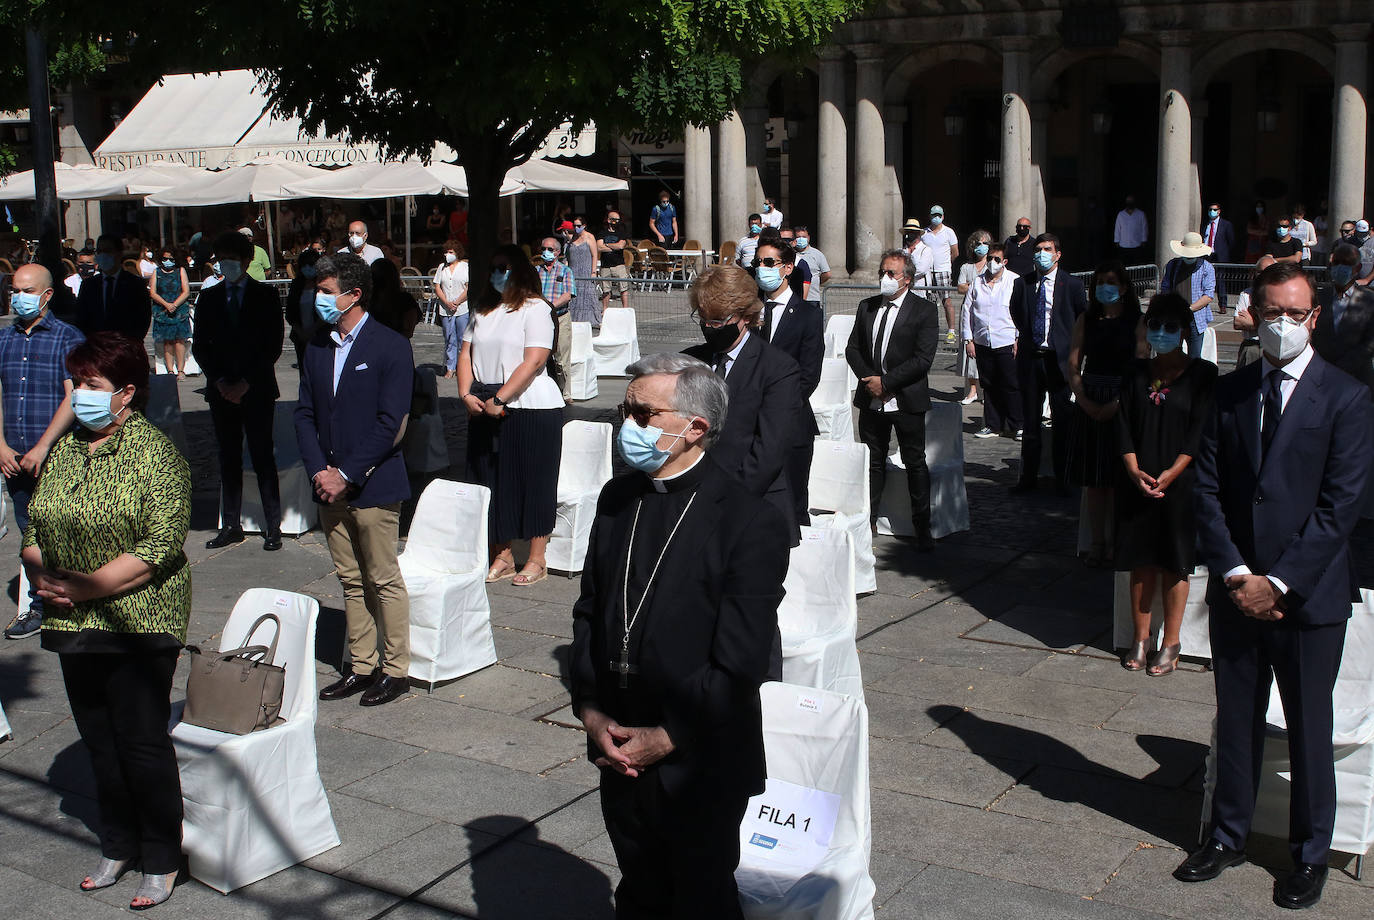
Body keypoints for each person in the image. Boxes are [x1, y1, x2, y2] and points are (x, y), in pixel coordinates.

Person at [1178, 262, 1374, 911]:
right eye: (1271, 311)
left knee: (1308, 725)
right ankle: (1228, 834)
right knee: (1236, 720)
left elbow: (1339, 507)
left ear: (1314, 318)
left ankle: (1310, 852)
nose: (1282, 323)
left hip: (1307, 598)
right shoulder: (1229, 393)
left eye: (1294, 313)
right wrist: (1237, 573)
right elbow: (1205, 491)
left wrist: (1280, 582)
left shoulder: (1346, 396)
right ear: (1253, 314)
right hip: (1238, 592)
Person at [570, 353, 788, 919]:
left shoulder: (747, 518)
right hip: (618, 742)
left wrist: (669, 736)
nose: (628, 424)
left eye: (644, 413)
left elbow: (742, 659)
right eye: (627, 409)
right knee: (639, 886)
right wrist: (591, 712)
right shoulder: (618, 499)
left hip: (700, 749)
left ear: (695, 428)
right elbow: (589, 612)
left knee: (700, 896)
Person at [22, 332, 191, 910]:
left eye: (91, 387)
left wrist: (89, 586)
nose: (80, 397)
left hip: (138, 621)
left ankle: (162, 854)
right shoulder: (66, 451)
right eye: (77, 385)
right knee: (98, 739)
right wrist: (43, 577)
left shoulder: (156, 454)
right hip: (71, 618)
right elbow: (34, 532)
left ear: (125, 392)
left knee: (139, 741)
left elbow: (160, 545)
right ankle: (118, 843)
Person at [297, 252, 415, 707]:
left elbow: (391, 422)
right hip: (328, 485)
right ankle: (362, 664)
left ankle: (395, 668)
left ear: (354, 294)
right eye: (317, 290)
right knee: (350, 578)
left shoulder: (389, 346)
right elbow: (305, 413)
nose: (318, 298)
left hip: (374, 484)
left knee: (382, 577)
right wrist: (319, 472)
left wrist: (347, 473)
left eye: (326, 292)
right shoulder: (317, 346)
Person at [1114, 292, 1217, 673]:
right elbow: (1122, 422)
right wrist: (1131, 466)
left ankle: (1171, 642)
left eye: (1169, 327)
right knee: (1140, 561)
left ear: (1184, 331)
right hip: (1138, 476)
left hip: (1180, 479)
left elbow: (1200, 430)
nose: (1161, 333)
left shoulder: (1203, 373)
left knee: (1176, 563)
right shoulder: (1135, 372)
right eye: (1155, 325)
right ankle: (1140, 638)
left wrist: (1173, 472)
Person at [458, 244, 565, 586]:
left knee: (534, 479)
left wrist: (502, 397)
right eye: (493, 267)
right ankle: (501, 553)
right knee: (488, 478)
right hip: (484, 399)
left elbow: (534, 360)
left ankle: (536, 557)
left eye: (503, 267)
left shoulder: (536, 309)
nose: (496, 274)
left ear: (518, 269)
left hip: (529, 404)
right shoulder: (483, 310)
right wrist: (466, 394)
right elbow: (465, 354)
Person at [682, 264, 802, 540]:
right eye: (703, 319)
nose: (709, 328)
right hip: (690, 505)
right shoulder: (688, 361)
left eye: (718, 320)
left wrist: (718, 501)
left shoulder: (778, 368)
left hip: (751, 507)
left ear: (745, 316)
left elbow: (769, 452)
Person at [0, 264, 85, 640]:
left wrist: (43, 446)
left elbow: (74, 396)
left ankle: (74, 600)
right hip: (13, 458)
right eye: (14, 290)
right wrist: (1, 445)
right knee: (28, 534)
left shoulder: (67, 338)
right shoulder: (4, 339)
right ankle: (40, 604)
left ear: (47, 295)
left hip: (55, 456)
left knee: (62, 531)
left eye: (27, 290)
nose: (18, 297)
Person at [193, 231, 285, 552]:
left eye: (234, 258)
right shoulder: (209, 297)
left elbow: (272, 345)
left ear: (247, 261)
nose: (228, 264)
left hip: (256, 389)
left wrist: (246, 381)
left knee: (262, 456)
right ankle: (231, 523)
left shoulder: (266, 296)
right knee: (228, 457)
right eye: (223, 258)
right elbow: (201, 346)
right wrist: (219, 381)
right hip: (221, 390)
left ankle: (272, 525)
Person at [846, 249, 939, 550]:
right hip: (872, 398)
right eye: (882, 272)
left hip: (906, 398)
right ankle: (869, 519)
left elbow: (923, 359)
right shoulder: (867, 307)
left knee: (915, 461)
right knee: (873, 460)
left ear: (907, 279)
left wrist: (887, 382)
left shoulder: (923, 311)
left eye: (891, 273)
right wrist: (870, 382)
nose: (884, 278)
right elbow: (853, 349)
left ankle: (921, 525)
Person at [1066, 261, 1145, 567]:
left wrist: (1119, 402)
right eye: (1099, 282)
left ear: (1123, 287)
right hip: (1091, 393)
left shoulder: (1137, 320)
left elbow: (1141, 362)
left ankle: (1117, 542)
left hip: (1122, 397)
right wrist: (1082, 396)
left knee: (1120, 476)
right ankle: (1097, 541)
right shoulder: (1087, 318)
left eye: (1110, 282)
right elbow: (1073, 362)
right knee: (1095, 479)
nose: (1104, 287)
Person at [751, 236, 822, 526]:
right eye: (758, 262)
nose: (762, 268)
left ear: (788, 268)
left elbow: (808, 375)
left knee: (792, 502)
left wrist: (773, 406)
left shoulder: (808, 315)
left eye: (769, 262)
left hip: (789, 421)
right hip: (749, 422)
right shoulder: (747, 312)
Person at [1011, 232, 1087, 493]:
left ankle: (1063, 478)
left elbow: (1081, 318)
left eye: (1047, 249)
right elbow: (1017, 312)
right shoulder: (1024, 283)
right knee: (1030, 423)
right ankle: (1028, 477)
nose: (1041, 254)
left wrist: (1075, 355)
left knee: (1062, 421)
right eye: (1038, 249)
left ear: (1057, 254)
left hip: (1060, 361)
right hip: (1032, 360)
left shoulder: (1072, 285)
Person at [962, 242, 1022, 440]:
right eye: (989, 258)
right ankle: (992, 424)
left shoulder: (1014, 281)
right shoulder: (977, 283)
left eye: (997, 259)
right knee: (989, 384)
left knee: (1011, 384)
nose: (992, 262)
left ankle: (1017, 424)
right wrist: (968, 339)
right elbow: (967, 311)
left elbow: (1021, 312)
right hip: (982, 340)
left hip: (1006, 340)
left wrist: (1018, 338)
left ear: (1004, 261)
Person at [1312, 244, 1374, 394]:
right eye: (1337, 263)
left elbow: (1370, 342)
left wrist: (1344, 366)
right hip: (1322, 379)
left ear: (1357, 268)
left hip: (1358, 380)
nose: (1340, 268)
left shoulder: (1369, 300)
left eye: (1346, 264)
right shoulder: (1318, 298)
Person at [74, 234, 152, 343]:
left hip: (126, 347)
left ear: (119, 253)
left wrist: (131, 343)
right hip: (97, 348)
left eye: (108, 251)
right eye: (100, 251)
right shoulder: (89, 285)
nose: (103, 255)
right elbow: (81, 317)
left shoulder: (135, 284)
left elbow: (143, 318)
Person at [1158, 232, 1216, 359]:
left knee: (1194, 357)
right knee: (1172, 354)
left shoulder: (1207, 268)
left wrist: (1189, 309)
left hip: (1196, 319)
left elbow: (1208, 295)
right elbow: (1165, 288)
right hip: (1174, 317)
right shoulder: (1172, 265)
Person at [537, 235, 576, 402]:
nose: (546, 252)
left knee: (562, 358)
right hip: (540, 319)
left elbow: (568, 295)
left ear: (558, 252)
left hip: (560, 318)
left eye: (550, 249)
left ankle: (565, 393)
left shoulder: (565, 271)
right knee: (540, 356)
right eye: (543, 249)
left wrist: (550, 306)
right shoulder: (536, 271)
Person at [955, 230, 992, 405]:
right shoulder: (966, 267)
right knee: (969, 349)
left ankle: (986, 389)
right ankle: (972, 389)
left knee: (985, 348)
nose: (981, 247)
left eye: (985, 243)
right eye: (978, 243)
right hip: (968, 310)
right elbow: (960, 287)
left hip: (986, 311)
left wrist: (971, 285)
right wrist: (975, 285)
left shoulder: (992, 265)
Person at [149, 248, 191, 377]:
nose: (167, 261)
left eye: (171, 259)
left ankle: (180, 370)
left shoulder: (181, 271)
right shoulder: (156, 272)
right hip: (162, 311)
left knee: (180, 341)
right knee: (167, 341)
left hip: (179, 310)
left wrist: (175, 304)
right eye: (165, 259)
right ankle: (170, 370)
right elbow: (153, 292)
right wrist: (166, 305)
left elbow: (186, 291)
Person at [433, 240, 470, 378]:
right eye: (446, 252)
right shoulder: (442, 267)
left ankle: (463, 366)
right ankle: (450, 366)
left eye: (451, 252)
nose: (447, 255)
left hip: (461, 308)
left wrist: (457, 301)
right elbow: (437, 286)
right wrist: (447, 302)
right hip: (445, 308)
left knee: (462, 338)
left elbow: (468, 287)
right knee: (449, 338)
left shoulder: (465, 267)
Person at [1231, 255, 1275, 369]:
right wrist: (1265, 323)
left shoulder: (1280, 296)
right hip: (1251, 347)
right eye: (1260, 272)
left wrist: (1252, 322)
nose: (1263, 275)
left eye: (1268, 271)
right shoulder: (1245, 295)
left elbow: (1277, 324)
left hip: (1272, 347)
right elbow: (1238, 323)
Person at [924, 205, 960, 344]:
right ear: (930, 216)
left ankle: (951, 331)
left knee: (946, 300)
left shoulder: (949, 232)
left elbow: (955, 252)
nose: (936, 218)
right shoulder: (924, 233)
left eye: (939, 215)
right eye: (934, 215)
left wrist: (946, 264)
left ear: (943, 216)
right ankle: (929, 330)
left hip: (943, 271)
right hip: (927, 272)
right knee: (929, 303)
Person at [286, 246, 323, 371]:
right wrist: (301, 332)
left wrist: (314, 329)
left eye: (311, 265)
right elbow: (290, 313)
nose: (307, 268)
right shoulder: (296, 286)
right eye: (304, 265)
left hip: (321, 337)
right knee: (304, 371)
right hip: (300, 338)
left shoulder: (324, 285)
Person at [368, 258, 421, 339]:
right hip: (398, 343)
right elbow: (409, 330)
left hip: (372, 343)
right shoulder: (405, 300)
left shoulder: (365, 300)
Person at [565, 217, 601, 326]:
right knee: (574, 296)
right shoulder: (572, 238)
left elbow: (595, 255)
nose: (576, 228)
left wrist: (593, 272)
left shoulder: (590, 237)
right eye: (574, 226)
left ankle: (594, 320)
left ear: (584, 226)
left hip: (586, 270)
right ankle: (575, 319)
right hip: (573, 271)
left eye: (579, 226)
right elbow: (568, 256)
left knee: (589, 295)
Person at [596, 210, 631, 313]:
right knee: (606, 289)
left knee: (623, 287)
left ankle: (625, 309)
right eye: (614, 220)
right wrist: (613, 247)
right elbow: (598, 247)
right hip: (605, 265)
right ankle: (605, 310)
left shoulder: (622, 232)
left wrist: (606, 245)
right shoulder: (602, 232)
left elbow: (621, 246)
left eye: (618, 220)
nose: (616, 222)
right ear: (609, 220)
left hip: (619, 264)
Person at [792, 226, 831, 304]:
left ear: (808, 238)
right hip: (793, 297)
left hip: (812, 297)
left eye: (803, 237)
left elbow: (827, 274)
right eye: (798, 237)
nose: (801, 239)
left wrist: (815, 282)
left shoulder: (817, 254)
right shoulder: (790, 253)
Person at [900, 218, 934, 288]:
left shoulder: (926, 250)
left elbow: (922, 269)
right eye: (908, 231)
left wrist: (903, 273)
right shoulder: (901, 251)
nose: (910, 234)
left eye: (912, 232)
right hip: (904, 288)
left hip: (920, 288)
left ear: (918, 234)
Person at [1113, 195, 1148, 262]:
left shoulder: (1140, 214)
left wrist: (1144, 240)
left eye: (1131, 201)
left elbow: (1144, 228)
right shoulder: (1121, 214)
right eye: (1128, 201)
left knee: (1136, 265)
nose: (1130, 202)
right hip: (1123, 245)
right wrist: (1116, 241)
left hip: (1136, 244)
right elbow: (1117, 228)